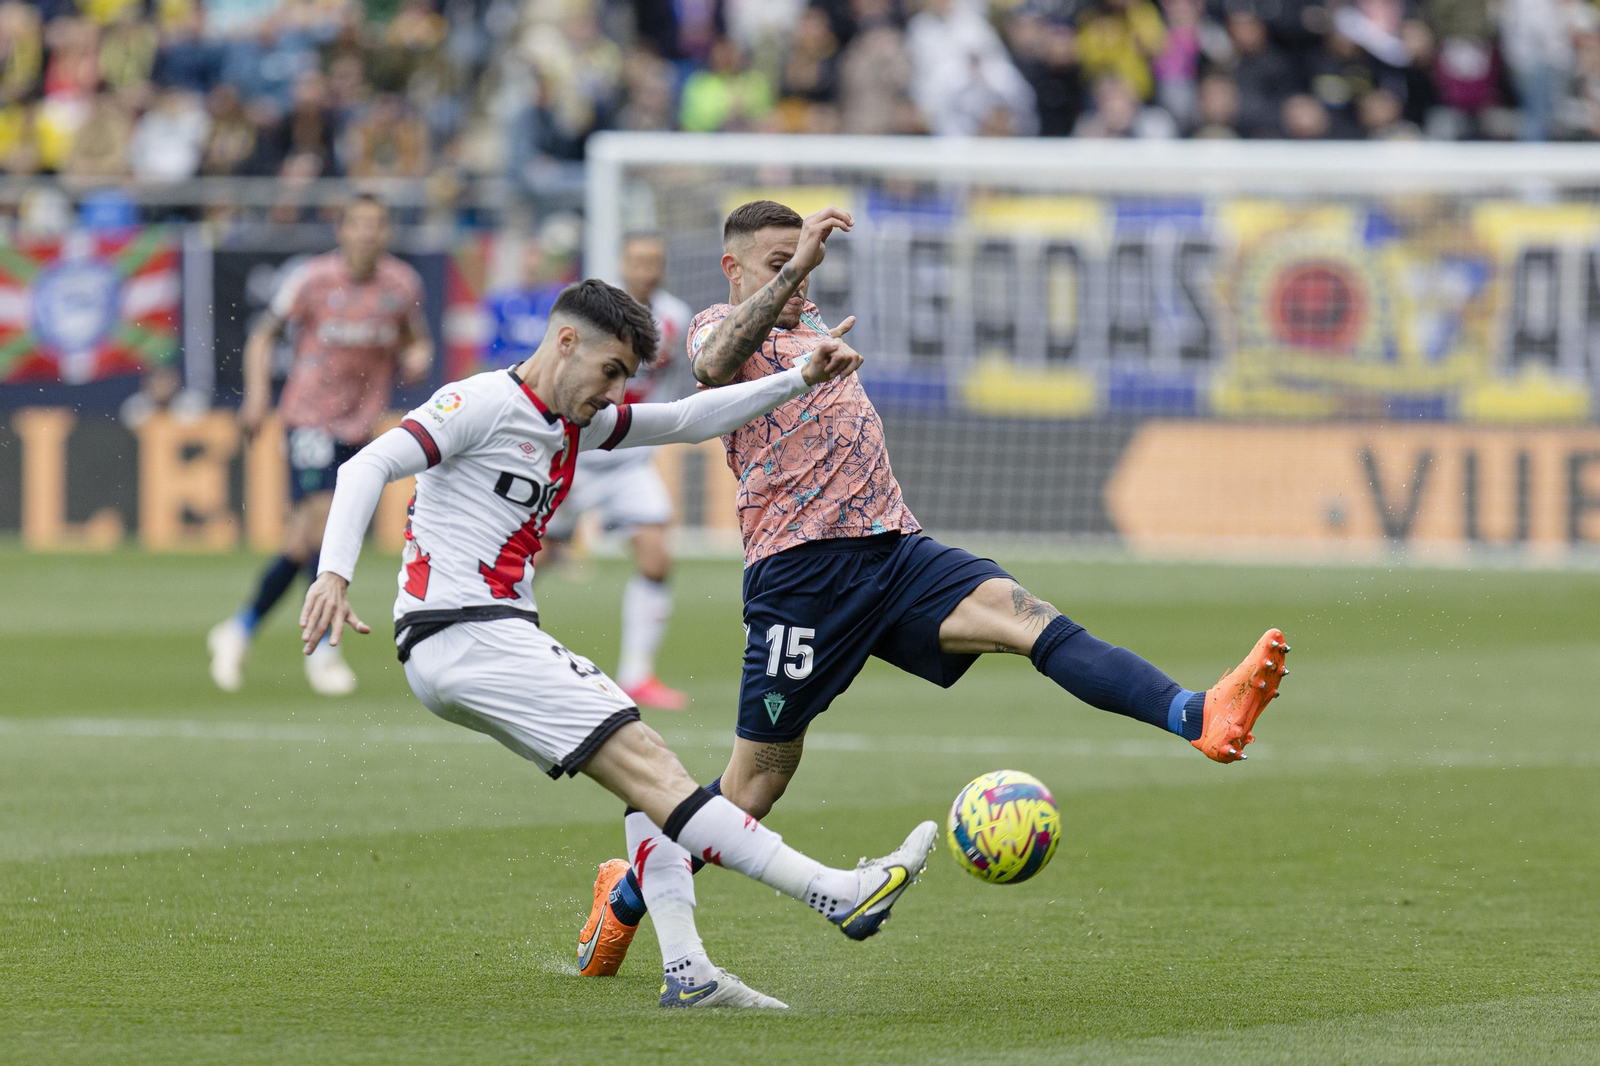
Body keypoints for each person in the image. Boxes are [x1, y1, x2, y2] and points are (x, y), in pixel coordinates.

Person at [575, 201, 1294, 977]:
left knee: (1032, 620)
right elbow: (713, 367)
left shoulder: (813, 327)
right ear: (734, 267)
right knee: (752, 789)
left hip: (896, 551)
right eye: (781, 262)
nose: (800, 274)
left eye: (805, 260)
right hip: (802, 578)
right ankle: (625, 898)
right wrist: (795, 273)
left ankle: (1196, 714)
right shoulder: (718, 326)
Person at [297, 278, 937, 1010]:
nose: (614, 393)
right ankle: (838, 893)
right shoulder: (480, 402)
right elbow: (365, 465)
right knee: (654, 770)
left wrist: (797, 378)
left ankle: (690, 973)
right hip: (465, 631)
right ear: (565, 341)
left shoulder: (574, 421)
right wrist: (333, 574)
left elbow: (689, 419)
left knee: (647, 778)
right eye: (610, 371)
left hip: (482, 638)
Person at [208, 193, 432, 696]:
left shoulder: (401, 285)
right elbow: (263, 336)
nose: (368, 234)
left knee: (301, 542)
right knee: (326, 521)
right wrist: (257, 396)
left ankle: (238, 629)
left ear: (386, 233)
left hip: (360, 426)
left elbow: (415, 338)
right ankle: (325, 652)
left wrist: (418, 356)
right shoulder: (312, 279)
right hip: (309, 417)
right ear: (342, 231)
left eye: (377, 225)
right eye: (359, 224)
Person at [541, 233, 693, 710]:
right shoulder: (591, 315)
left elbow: (674, 381)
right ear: (623, 263)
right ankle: (486, 638)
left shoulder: (675, 318)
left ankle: (637, 675)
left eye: (655, 261)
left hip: (627, 457)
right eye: (638, 260)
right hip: (576, 453)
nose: (647, 269)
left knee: (656, 557)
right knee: (535, 556)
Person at [481, 239, 566, 369]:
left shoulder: (561, 300)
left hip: (548, 371)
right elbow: (490, 347)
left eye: (536, 268)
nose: (532, 268)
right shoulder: (501, 301)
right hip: (511, 371)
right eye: (528, 268)